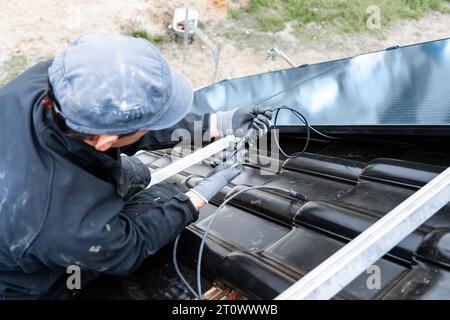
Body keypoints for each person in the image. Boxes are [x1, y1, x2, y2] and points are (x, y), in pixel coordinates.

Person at [0, 34, 272, 299]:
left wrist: (219, 122)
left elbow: (132, 124)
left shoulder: (58, 81)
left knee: (139, 173)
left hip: (27, 177)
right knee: (162, 198)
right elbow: (126, 250)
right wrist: (198, 197)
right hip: (24, 277)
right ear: (105, 140)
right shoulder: (62, 225)